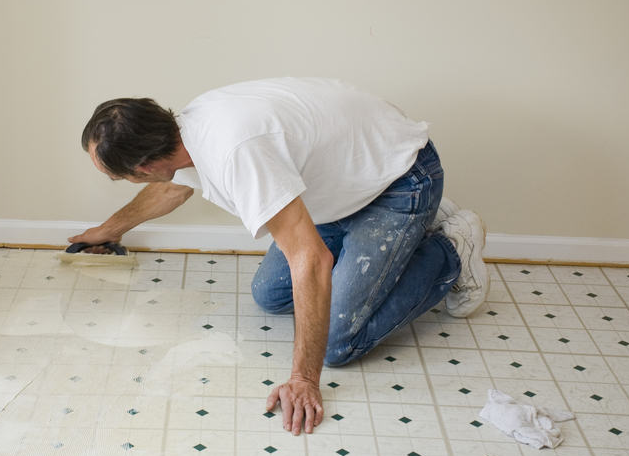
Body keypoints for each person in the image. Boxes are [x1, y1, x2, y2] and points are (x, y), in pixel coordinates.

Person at [69, 77, 488, 437]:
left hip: (399, 180)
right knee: (270, 295)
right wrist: (108, 231)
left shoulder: (236, 151)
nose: (117, 180)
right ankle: (403, 237)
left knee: (338, 344)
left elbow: (312, 260)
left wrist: (304, 379)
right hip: (340, 189)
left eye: (117, 176)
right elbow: (172, 187)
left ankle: (451, 246)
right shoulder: (182, 135)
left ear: (146, 165)